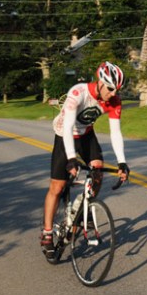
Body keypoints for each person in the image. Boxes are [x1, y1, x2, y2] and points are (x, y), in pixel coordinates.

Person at [40, 61, 131, 259]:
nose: (113, 94)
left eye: (116, 90)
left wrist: (122, 162)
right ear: (99, 82)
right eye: (109, 88)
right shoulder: (78, 93)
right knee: (57, 186)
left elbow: (116, 132)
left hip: (87, 135)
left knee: (97, 170)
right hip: (65, 135)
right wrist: (71, 159)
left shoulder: (114, 100)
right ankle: (47, 233)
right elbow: (68, 127)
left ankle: (83, 208)